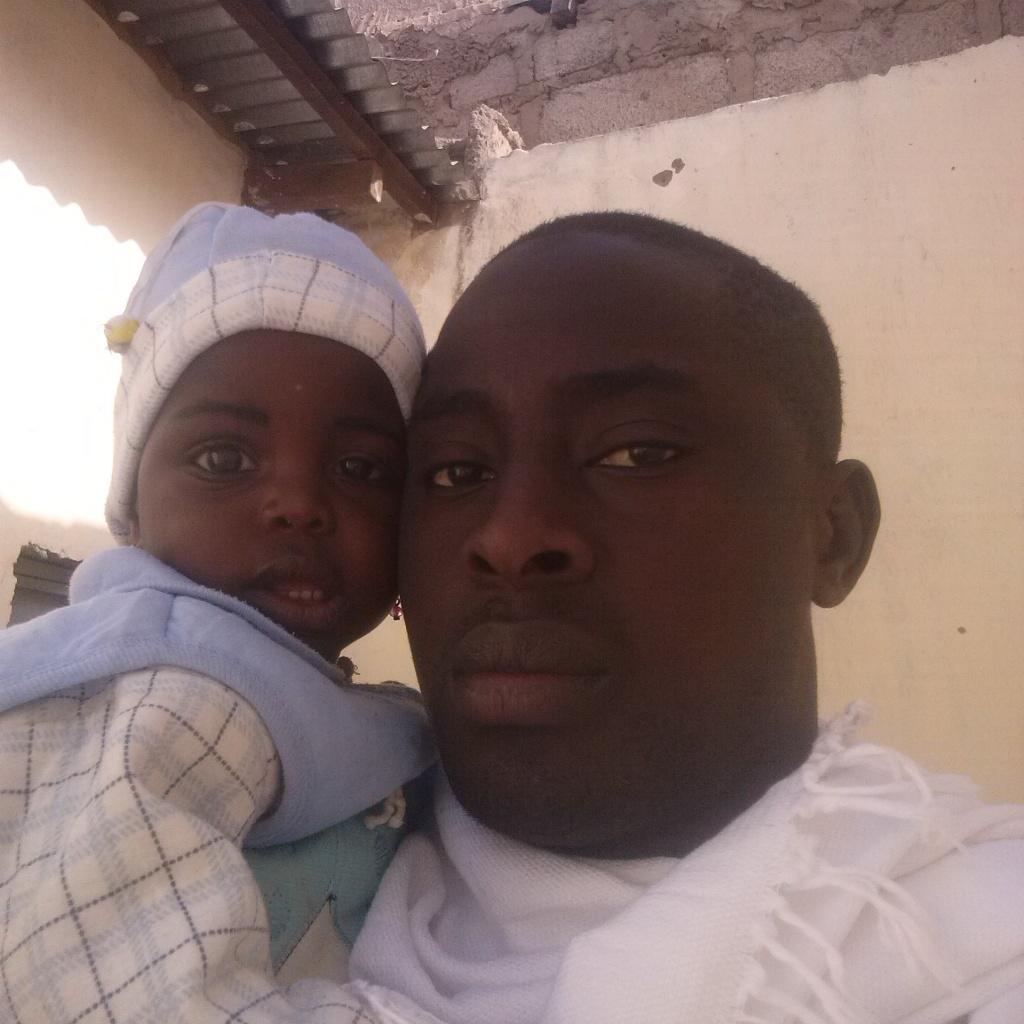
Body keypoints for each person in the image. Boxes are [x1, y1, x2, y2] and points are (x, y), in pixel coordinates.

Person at [5, 212, 1023, 1024]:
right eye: (454, 472)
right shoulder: (234, 776)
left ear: (831, 534)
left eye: (636, 452)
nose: (510, 535)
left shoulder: (966, 946)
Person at [0, 203, 434, 1017]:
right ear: (132, 505)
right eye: (224, 458)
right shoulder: (180, 689)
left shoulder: (280, 694)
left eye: (361, 468)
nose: (299, 504)